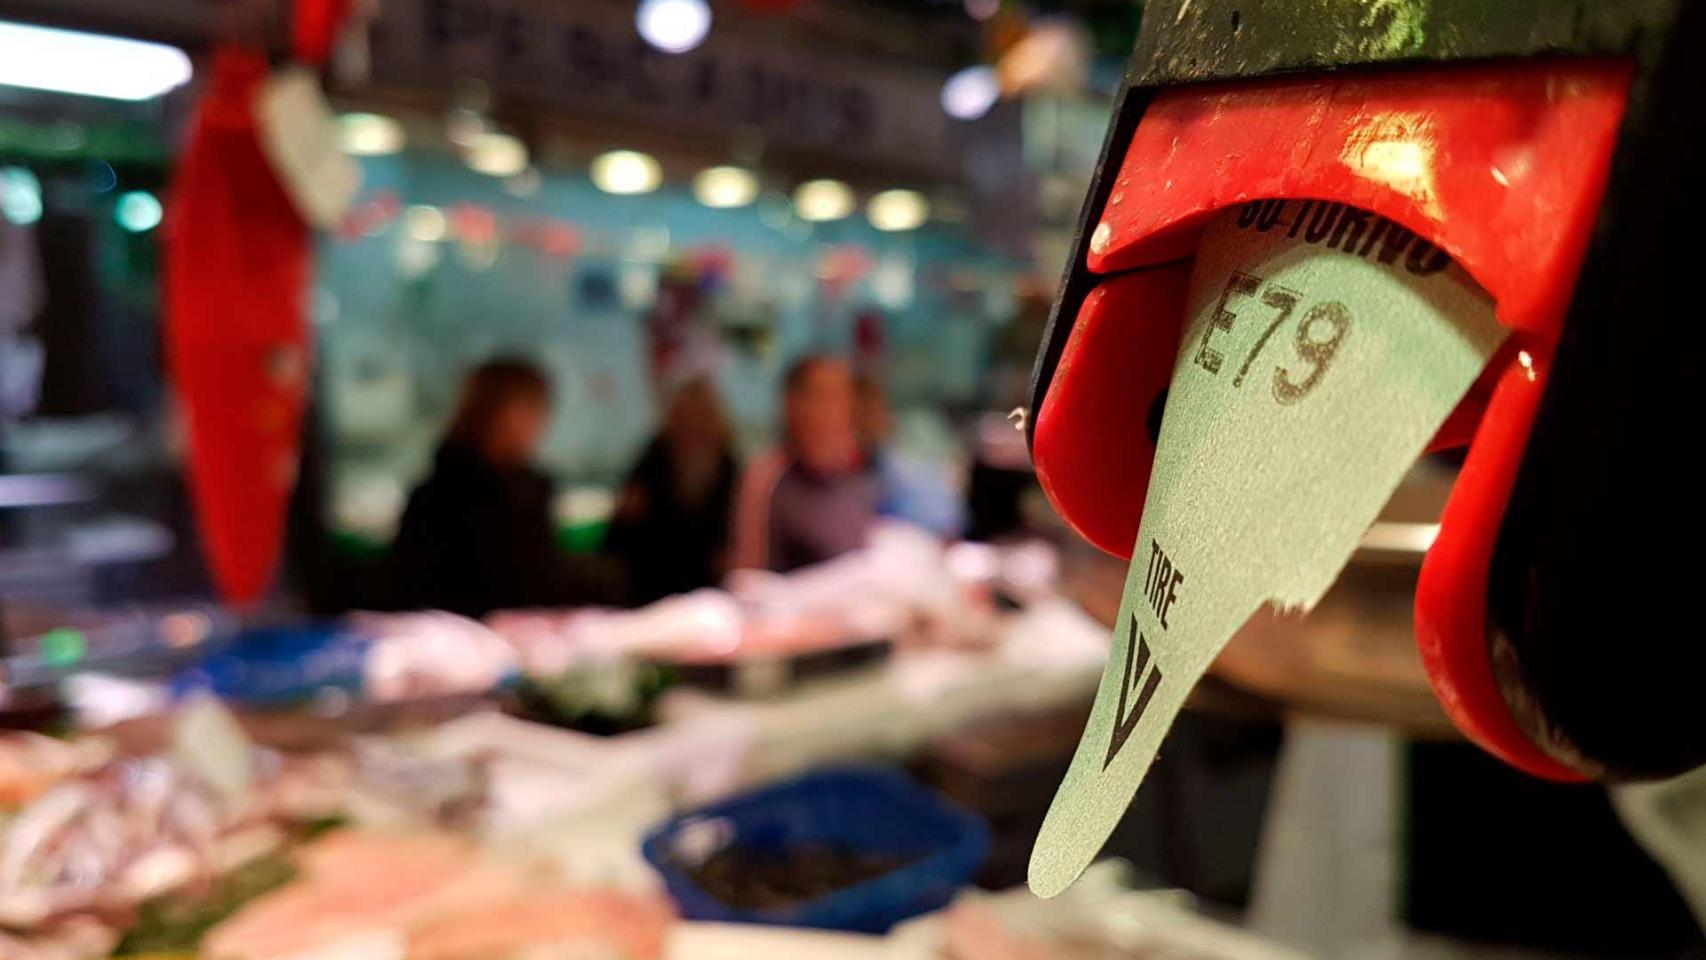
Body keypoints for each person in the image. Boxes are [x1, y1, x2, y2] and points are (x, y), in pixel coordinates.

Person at [391, 358, 612, 616]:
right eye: (534, 409)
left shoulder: (527, 487)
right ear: (503, 412)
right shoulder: (450, 498)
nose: (541, 422)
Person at [731, 356, 876, 572]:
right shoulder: (767, 478)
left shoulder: (860, 473)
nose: (835, 410)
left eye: (842, 398)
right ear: (792, 404)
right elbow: (748, 578)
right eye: (822, 397)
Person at [604, 377, 739, 603]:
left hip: (711, 595)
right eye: (687, 418)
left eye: (701, 418)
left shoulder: (729, 467)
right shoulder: (652, 462)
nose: (694, 426)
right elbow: (618, 536)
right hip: (651, 585)